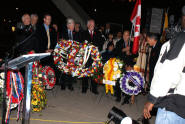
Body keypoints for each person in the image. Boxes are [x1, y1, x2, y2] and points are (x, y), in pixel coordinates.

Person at [143, 28, 185, 124]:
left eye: (147, 39)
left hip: (172, 103)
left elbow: (169, 72)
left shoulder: (179, 41)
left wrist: (152, 99)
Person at [81, 19, 103, 94]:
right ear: (87, 25)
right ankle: (84, 87)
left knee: (94, 73)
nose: (92, 26)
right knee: (85, 72)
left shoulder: (98, 33)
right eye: (90, 24)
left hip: (94, 57)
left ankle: (94, 88)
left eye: (93, 24)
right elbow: (81, 44)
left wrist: (96, 49)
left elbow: (100, 43)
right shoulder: (83, 33)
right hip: (86, 57)